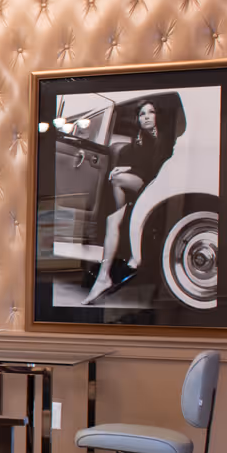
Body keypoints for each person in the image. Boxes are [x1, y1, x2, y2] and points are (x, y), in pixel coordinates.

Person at [84, 94, 183, 304]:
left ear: (157, 116)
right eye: (142, 114)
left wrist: (127, 169)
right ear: (138, 119)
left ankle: (126, 211)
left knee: (118, 179)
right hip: (143, 187)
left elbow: (156, 170)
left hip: (160, 188)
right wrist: (126, 167)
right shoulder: (139, 141)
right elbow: (141, 166)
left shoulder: (167, 138)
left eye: (151, 112)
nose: (146, 117)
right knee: (113, 218)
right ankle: (103, 277)